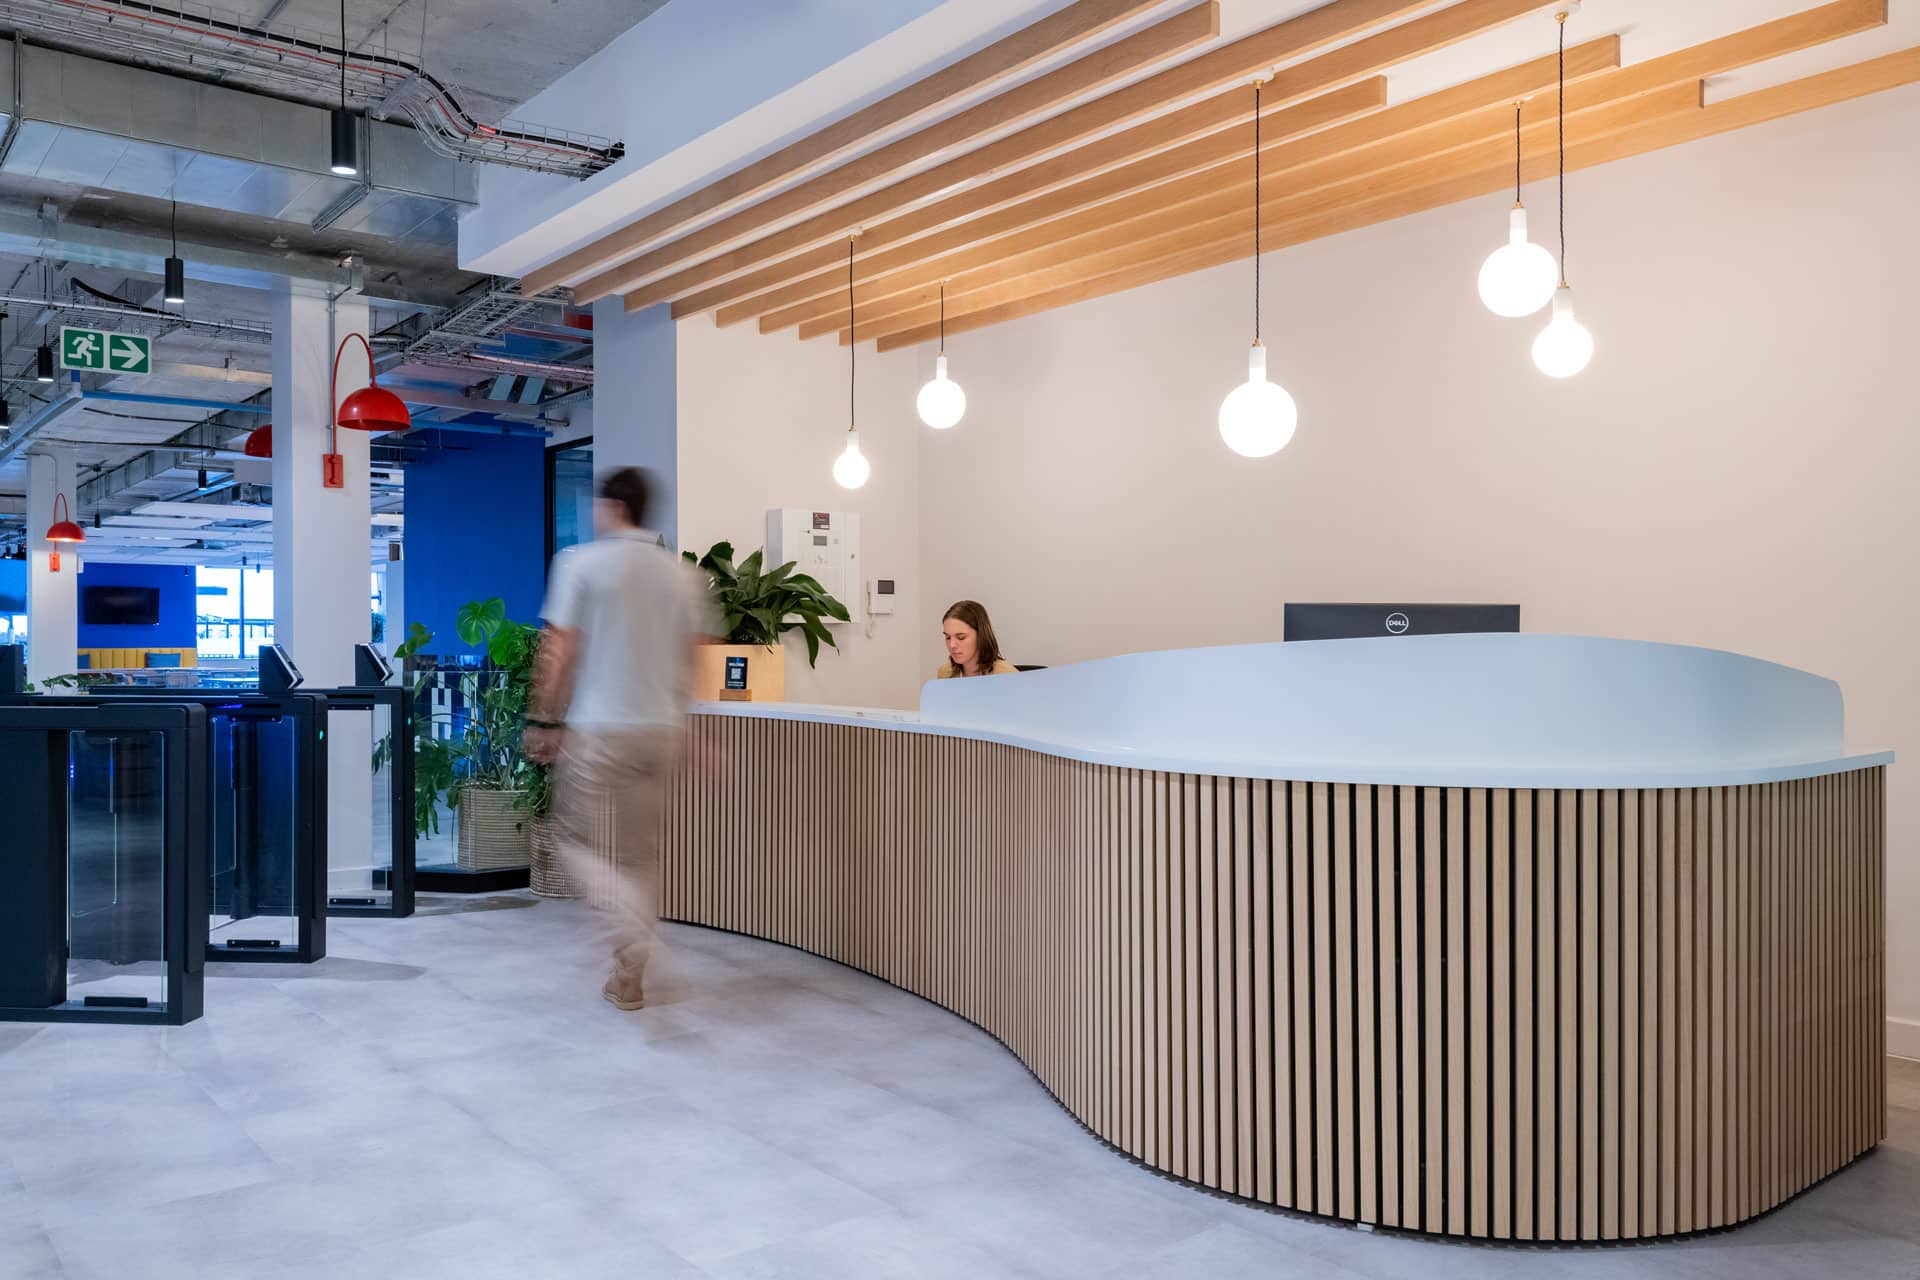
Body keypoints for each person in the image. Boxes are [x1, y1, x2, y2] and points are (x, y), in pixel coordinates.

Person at [525, 467, 714, 1011]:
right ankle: (627, 978)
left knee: (572, 843)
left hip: (599, 733)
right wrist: (691, 731)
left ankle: (632, 929)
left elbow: (560, 650)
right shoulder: (683, 575)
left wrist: (544, 719)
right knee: (639, 857)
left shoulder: (581, 564)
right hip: (659, 733)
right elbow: (693, 659)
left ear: (610, 508)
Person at [936, 599, 1019, 679]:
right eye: (948, 637)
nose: (952, 645)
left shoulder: (1007, 675)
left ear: (981, 636)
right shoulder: (944, 673)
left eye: (961, 637)